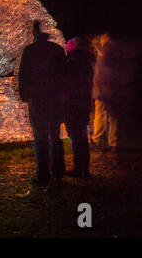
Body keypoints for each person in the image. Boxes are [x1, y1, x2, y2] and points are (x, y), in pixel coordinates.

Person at [18, 20, 67, 185]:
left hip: (37, 99)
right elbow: (64, 76)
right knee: (55, 135)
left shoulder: (30, 51)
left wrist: (25, 95)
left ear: (35, 34)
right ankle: (58, 172)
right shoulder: (57, 50)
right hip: (54, 99)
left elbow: (23, 74)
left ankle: (42, 174)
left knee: (40, 136)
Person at [64, 37, 95, 177]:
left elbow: (67, 82)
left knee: (75, 135)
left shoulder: (72, 61)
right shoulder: (89, 61)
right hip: (84, 102)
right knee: (81, 134)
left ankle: (79, 167)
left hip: (72, 102)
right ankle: (84, 168)